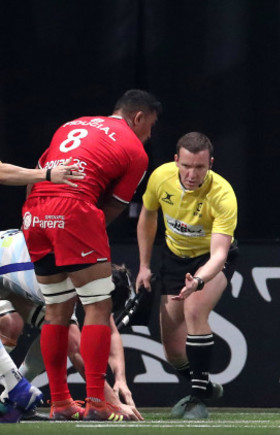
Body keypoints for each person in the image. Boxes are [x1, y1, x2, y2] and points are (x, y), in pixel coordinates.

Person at [20, 89, 161, 422]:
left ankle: (60, 403)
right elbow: (114, 205)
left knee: (56, 312)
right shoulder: (135, 149)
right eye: (150, 126)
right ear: (137, 117)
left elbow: (35, 175)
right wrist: (83, 228)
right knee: (98, 306)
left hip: (35, 213)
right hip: (73, 212)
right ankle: (98, 400)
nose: (150, 135)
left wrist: (36, 221)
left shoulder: (72, 125)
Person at [135, 132, 237, 420]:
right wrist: (144, 265)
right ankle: (202, 385)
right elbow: (148, 215)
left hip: (210, 259)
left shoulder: (222, 194)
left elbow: (219, 254)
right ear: (176, 161)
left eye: (200, 167)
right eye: (187, 166)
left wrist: (200, 281)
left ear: (211, 164)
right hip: (174, 257)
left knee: (195, 308)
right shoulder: (160, 177)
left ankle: (195, 399)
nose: (192, 174)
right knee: (173, 352)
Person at [0, 231, 143, 421]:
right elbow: (76, 351)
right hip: (14, 266)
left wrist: (120, 378)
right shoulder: (62, 281)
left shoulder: (89, 271)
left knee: (52, 333)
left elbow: (110, 331)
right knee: (28, 328)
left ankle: (13, 396)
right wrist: (112, 402)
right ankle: (16, 391)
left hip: (11, 270)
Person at [0, 156, 85, 423]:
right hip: (14, 265)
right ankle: (16, 389)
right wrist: (47, 174)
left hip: (16, 268)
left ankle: (12, 392)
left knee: (13, 325)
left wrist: (45, 175)